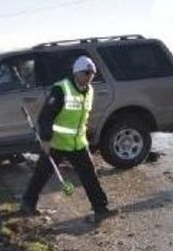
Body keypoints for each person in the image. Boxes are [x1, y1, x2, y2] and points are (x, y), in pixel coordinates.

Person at [21, 56, 118, 223]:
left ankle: (100, 209)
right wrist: (45, 139)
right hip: (56, 143)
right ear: (76, 73)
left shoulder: (90, 91)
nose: (90, 76)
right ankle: (27, 204)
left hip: (78, 143)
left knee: (90, 176)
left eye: (92, 73)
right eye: (86, 73)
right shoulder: (61, 89)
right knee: (41, 174)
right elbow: (46, 116)